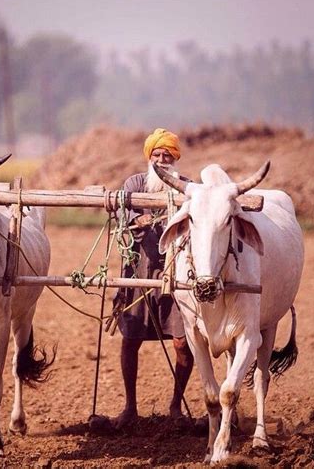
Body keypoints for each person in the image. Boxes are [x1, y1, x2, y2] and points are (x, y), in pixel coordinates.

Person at [111, 128, 194, 430]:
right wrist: (136, 221)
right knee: (130, 339)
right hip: (138, 272)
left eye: (167, 155)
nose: (161, 160)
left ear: (175, 158)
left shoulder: (187, 187)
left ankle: (175, 406)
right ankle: (130, 408)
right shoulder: (134, 185)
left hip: (176, 274)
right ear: (149, 157)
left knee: (183, 344)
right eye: (157, 155)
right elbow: (121, 216)